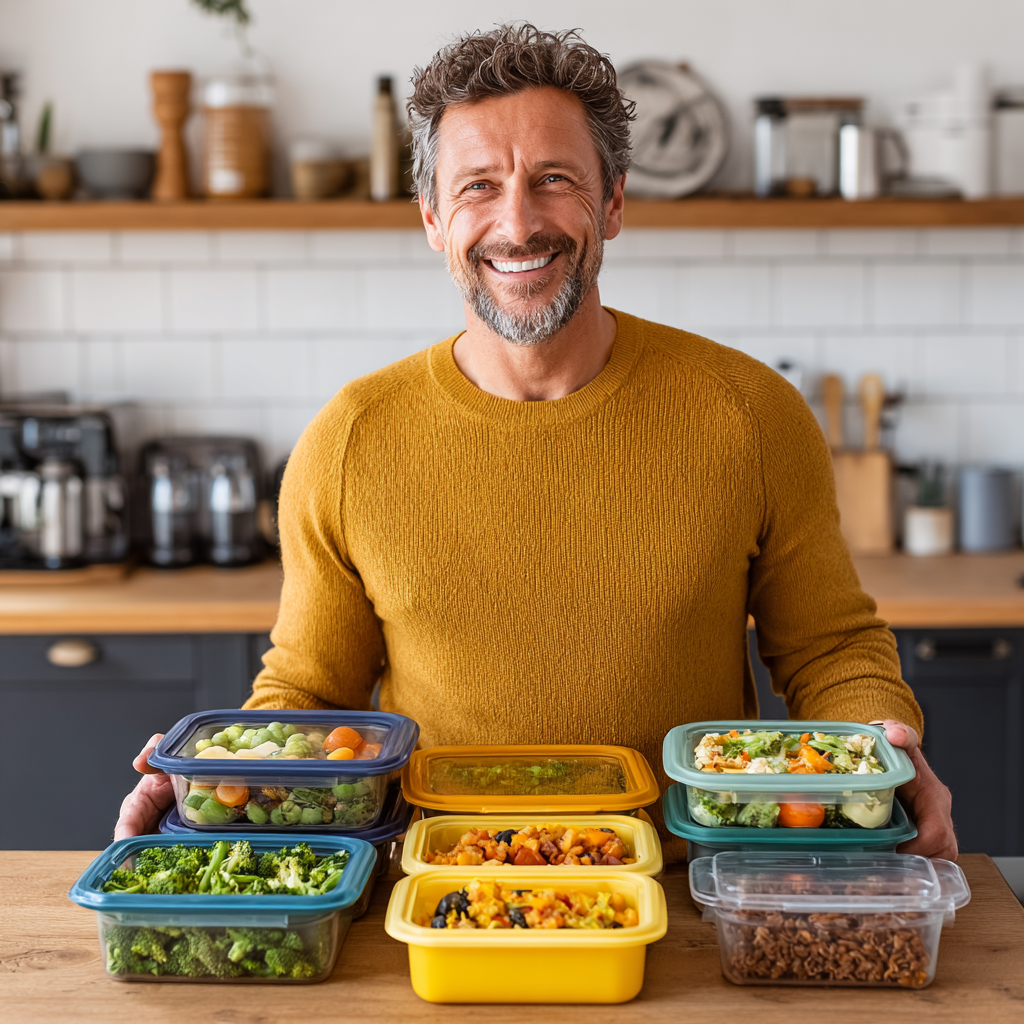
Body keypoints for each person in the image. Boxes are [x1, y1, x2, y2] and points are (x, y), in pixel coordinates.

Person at [116, 24, 955, 861]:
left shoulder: (750, 412)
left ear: (613, 202)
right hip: (442, 899)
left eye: (553, 180)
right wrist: (213, 780)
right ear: (434, 219)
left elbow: (829, 647)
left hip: (687, 903)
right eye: (478, 186)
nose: (518, 223)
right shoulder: (349, 440)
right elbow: (310, 691)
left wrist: (882, 749)